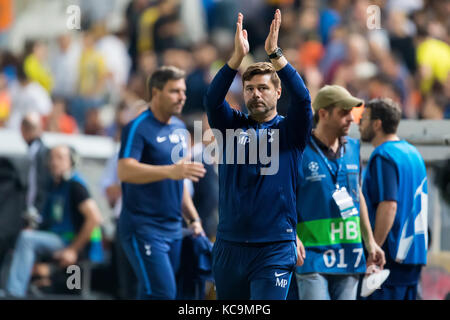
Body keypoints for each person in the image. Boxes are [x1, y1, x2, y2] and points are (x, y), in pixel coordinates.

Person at [204, 10, 312, 300]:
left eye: (263, 88)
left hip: (274, 247)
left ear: (277, 93)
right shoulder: (230, 125)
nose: (255, 94)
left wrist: (276, 55)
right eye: (250, 88)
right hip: (229, 245)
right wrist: (235, 60)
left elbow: (303, 99)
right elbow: (212, 101)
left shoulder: (291, 131)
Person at [117, 65, 206, 300]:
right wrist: (169, 171)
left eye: (183, 91)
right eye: (174, 91)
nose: (182, 97)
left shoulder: (179, 129)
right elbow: (125, 170)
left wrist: (194, 218)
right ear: (156, 92)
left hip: (174, 227)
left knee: (153, 293)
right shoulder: (138, 126)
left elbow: (180, 182)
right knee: (163, 293)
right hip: (143, 226)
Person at [295, 85, 385, 300]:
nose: (351, 119)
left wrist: (370, 241)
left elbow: (357, 195)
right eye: (343, 113)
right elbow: (285, 198)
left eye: (351, 113)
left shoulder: (354, 148)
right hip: (312, 255)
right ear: (323, 114)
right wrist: (292, 234)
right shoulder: (299, 150)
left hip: (349, 255)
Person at [5, 145, 103, 298]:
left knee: (27, 239)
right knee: (22, 236)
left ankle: (14, 293)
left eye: (60, 158)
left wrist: (73, 250)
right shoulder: (53, 185)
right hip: (56, 238)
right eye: (52, 158)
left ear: (72, 162)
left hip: (71, 242)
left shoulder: (76, 185)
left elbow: (95, 218)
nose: (54, 162)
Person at [359, 98, 428, 300]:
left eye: (363, 119)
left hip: (389, 258)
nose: (359, 124)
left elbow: (389, 205)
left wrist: (374, 250)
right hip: (415, 255)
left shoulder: (384, 155)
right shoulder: (413, 153)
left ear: (377, 124)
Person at [20, 112, 52, 226]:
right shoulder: (32, 153)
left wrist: (36, 209)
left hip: (39, 211)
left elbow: (39, 185)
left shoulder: (42, 154)